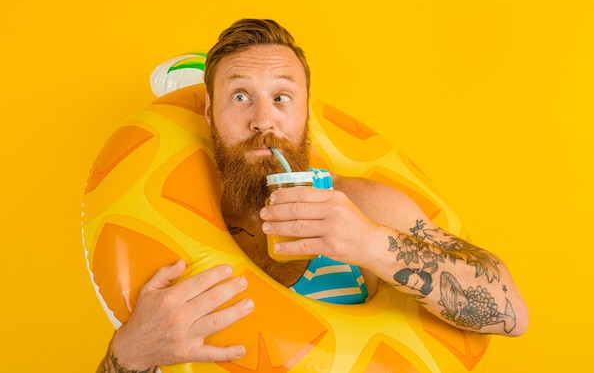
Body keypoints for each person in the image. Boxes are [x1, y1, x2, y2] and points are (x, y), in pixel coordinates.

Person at [97, 18, 528, 372]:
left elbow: (511, 314)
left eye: (281, 97)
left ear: (305, 110)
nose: (263, 121)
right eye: (240, 96)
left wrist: (369, 243)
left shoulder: (363, 205)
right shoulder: (174, 232)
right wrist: (124, 356)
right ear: (210, 110)